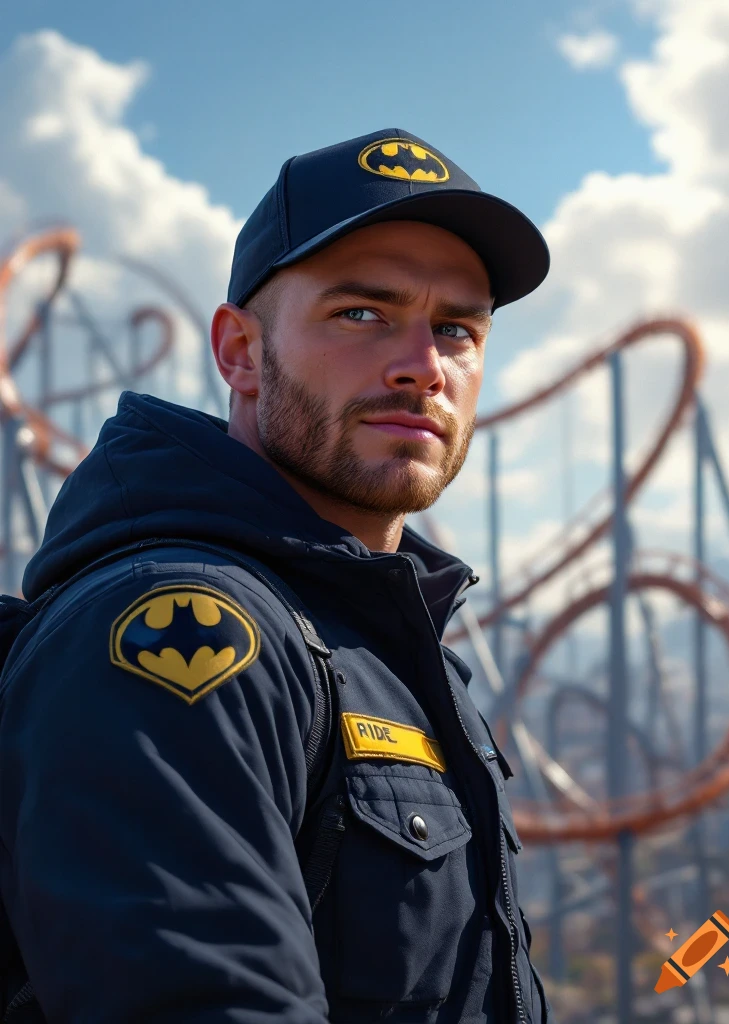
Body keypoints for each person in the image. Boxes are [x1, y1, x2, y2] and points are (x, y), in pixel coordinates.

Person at [0, 128, 553, 1023]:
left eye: (457, 327)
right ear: (239, 353)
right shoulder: (182, 631)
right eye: (361, 313)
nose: (424, 365)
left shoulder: (389, 643)